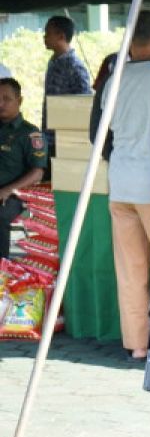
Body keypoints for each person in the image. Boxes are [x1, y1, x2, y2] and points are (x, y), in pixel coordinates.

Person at [90, 11, 150, 359]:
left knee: (129, 269)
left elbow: (97, 136)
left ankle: (137, 346)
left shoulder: (111, 81)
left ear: (129, 42)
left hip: (121, 184)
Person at [0, 78, 48, 258]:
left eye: (7, 99)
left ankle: (3, 269)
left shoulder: (29, 133)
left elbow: (37, 173)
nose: (1, 104)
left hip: (15, 195)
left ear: (19, 101)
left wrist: (7, 190)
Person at [42, 15, 93, 156]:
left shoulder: (74, 66)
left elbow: (84, 103)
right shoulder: (53, 61)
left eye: (48, 33)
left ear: (61, 36)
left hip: (67, 139)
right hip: (49, 136)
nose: (44, 37)